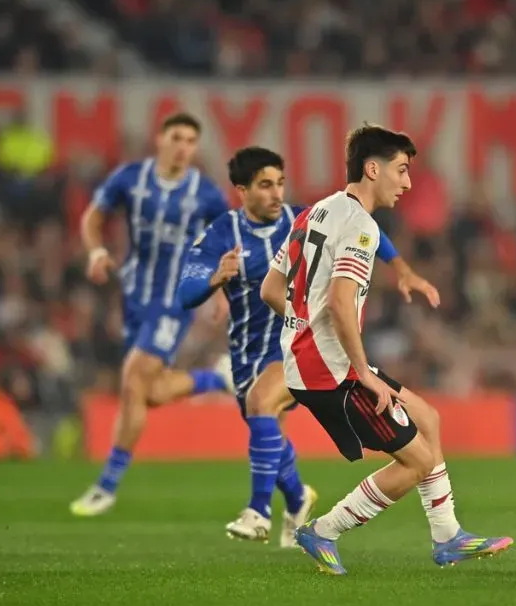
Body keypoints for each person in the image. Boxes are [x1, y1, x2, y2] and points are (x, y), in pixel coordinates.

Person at [259, 125, 513, 574]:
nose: (407, 182)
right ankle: (324, 531)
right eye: (401, 170)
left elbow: (270, 288)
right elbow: (339, 302)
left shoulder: (315, 212)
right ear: (372, 169)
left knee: (428, 421)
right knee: (416, 461)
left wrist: (302, 325)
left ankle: (448, 537)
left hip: (317, 360)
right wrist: (363, 370)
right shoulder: (361, 226)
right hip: (332, 371)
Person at [177, 146, 439, 547]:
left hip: (291, 350)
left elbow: (372, 233)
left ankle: (258, 512)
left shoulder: (301, 218)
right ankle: (299, 498)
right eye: (265, 185)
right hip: (246, 351)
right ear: (241, 190)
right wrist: (215, 279)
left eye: (280, 182)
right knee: (267, 431)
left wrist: (403, 270)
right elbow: (185, 291)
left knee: (262, 404)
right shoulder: (220, 234)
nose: (276, 192)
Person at [70, 113, 233, 517]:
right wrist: (96, 250)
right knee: (150, 391)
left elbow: (229, 239)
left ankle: (107, 486)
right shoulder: (130, 179)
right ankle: (219, 378)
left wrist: (222, 287)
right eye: (176, 137)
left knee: (132, 377)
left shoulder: (206, 193)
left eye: (191, 140)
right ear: (159, 139)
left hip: (175, 301)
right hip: (133, 297)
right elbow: (92, 216)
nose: (183, 146)